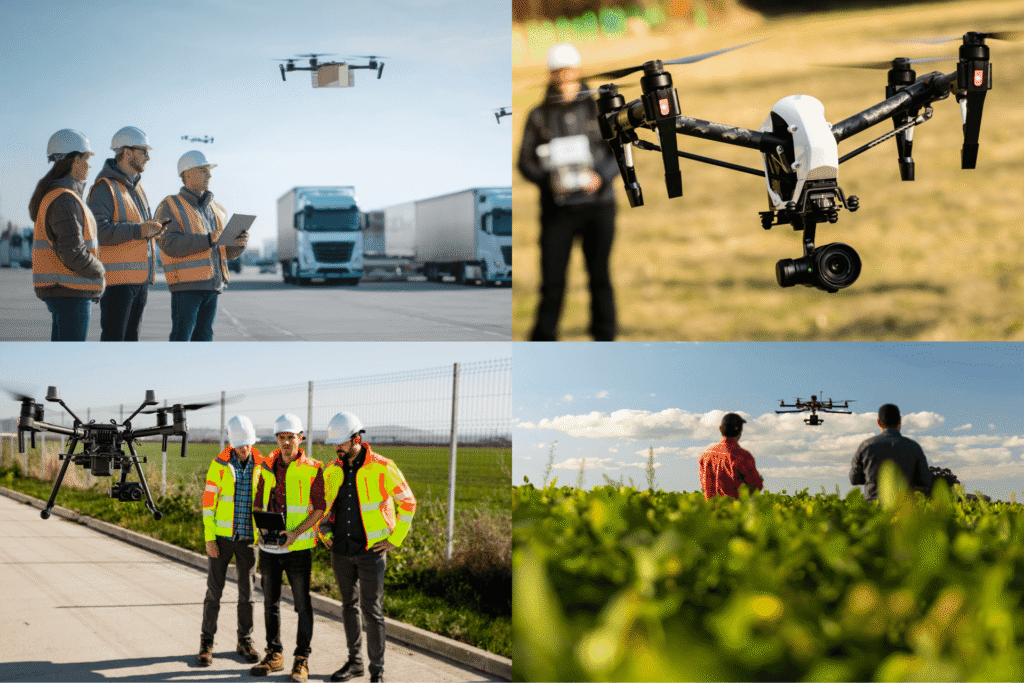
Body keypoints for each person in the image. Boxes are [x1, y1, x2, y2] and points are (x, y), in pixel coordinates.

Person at [518, 42, 620, 341]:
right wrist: (548, 180)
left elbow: (619, 151)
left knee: (599, 278)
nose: (565, 77)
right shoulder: (538, 116)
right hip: (557, 211)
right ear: (550, 75)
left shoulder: (600, 107)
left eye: (569, 71)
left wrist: (600, 177)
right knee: (552, 283)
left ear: (579, 71)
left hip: (598, 206)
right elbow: (525, 162)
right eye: (558, 72)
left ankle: (605, 337)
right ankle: (543, 339)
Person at [320, 412, 417, 683]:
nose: (337, 448)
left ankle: (377, 672)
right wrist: (321, 530)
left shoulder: (383, 466)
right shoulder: (332, 469)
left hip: (371, 552)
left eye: (341, 443)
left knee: (372, 612)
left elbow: (408, 503)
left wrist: (395, 539)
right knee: (348, 607)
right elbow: (321, 507)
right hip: (340, 550)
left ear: (356, 439)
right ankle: (355, 663)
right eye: (334, 444)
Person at [250, 414, 325, 683]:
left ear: (300, 438)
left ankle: (302, 660)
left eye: (290, 437)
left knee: (302, 605)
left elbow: (319, 509)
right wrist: (261, 529)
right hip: (270, 548)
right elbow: (258, 504)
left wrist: (295, 533)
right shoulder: (267, 468)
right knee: (270, 603)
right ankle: (274, 654)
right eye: (281, 437)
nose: (285, 442)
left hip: (298, 549)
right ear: (276, 439)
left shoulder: (314, 468)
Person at [155, 150, 248, 341]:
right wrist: (207, 239)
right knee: (182, 337)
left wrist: (239, 244)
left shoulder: (216, 209)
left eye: (209, 171)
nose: (210, 175)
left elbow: (225, 252)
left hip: (213, 285)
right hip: (186, 287)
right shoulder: (170, 205)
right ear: (187, 174)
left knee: (205, 337)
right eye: (204, 170)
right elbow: (168, 244)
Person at [196, 416, 264, 668]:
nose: (243, 449)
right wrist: (209, 538)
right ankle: (206, 643)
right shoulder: (219, 465)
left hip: (249, 540)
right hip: (222, 541)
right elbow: (208, 504)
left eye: (247, 444)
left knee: (247, 595)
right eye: (239, 445)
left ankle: (244, 641)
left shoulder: (263, 465)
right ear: (232, 444)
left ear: (252, 441)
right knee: (214, 593)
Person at [87, 126, 166, 341]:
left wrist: (153, 230)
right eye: (144, 151)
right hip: (117, 284)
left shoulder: (136, 188)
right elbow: (98, 232)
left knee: (131, 341)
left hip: (139, 281)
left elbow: (139, 231)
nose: (148, 157)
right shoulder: (105, 188)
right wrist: (140, 230)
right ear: (128, 152)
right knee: (115, 340)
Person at [29, 129, 105, 341]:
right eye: (87, 158)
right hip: (70, 292)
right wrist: (100, 271)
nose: (90, 164)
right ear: (76, 160)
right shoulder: (65, 200)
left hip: (65, 292)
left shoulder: (62, 196)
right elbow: (73, 253)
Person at [850, 403, 933, 501]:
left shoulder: (865, 446)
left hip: (873, 509)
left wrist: (870, 478)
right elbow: (927, 480)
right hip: (903, 509)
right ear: (900, 421)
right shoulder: (914, 447)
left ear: (879, 423)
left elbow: (854, 479)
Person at [698, 413, 763, 499]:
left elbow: (704, 484)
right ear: (740, 431)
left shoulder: (705, 454)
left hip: (710, 510)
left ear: (720, 429)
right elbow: (754, 486)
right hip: (736, 510)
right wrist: (759, 481)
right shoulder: (743, 456)